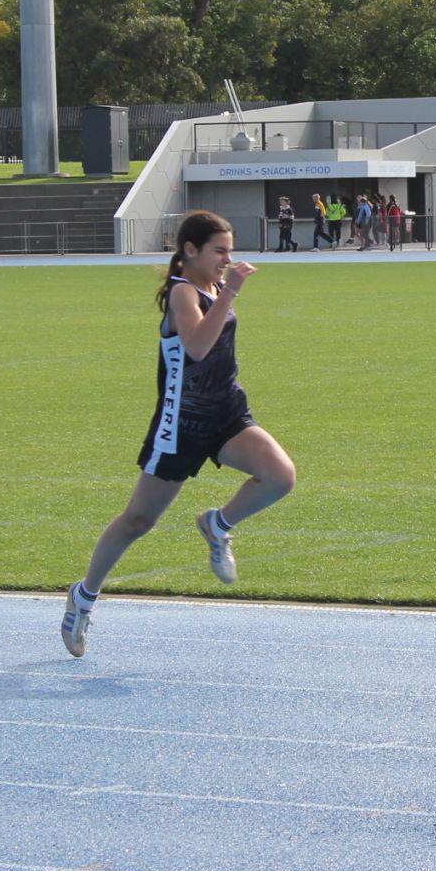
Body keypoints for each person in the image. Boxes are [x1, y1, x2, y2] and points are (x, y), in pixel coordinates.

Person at [61, 211, 296, 656]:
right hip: (181, 424)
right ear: (190, 250)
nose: (227, 259)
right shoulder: (182, 292)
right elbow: (197, 347)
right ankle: (83, 597)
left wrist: (225, 290)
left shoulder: (214, 288)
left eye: (230, 251)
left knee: (280, 477)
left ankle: (217, 524)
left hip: (226, 413)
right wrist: (231, 291)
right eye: (219, 251)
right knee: (138, 521)